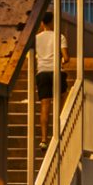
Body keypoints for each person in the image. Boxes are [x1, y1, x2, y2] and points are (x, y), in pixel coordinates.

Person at [32, 12, 59, 146]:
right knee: (61, 101)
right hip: (56, 72)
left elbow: (31, 56)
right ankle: (58, 133)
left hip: (42, 72)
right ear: (52, 22)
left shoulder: (36, 39)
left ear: (42, 23)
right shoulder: (59, 36)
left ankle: (44, 139)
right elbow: (66, 57)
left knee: (44, 106)